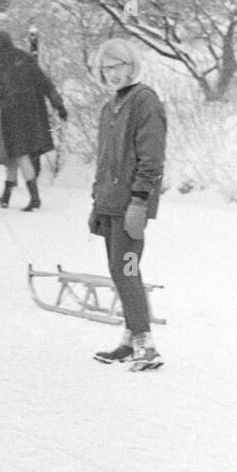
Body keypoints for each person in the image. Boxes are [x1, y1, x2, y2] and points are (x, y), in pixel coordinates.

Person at [89, 38, 166, 372]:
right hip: (109, 202)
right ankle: (129, 338)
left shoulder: (145, 102)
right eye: (105, 68)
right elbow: (105, 160)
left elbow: (152, 157)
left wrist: (140, 200)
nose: (111, 74)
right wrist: (96, 202)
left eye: (117, 66)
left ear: (131, 65)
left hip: (130, 204)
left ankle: (146, 343)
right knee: (118, 272)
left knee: (128, 270)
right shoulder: (110, 107)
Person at [0, 30, 68, 210]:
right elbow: (45, 83)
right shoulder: (25, 58)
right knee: (14, 154)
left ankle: (34, 198)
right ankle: (7, 196)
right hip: (34, 112)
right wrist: (59, 106)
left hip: (12, 113)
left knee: (19, 154)